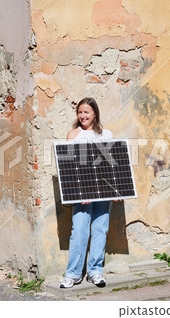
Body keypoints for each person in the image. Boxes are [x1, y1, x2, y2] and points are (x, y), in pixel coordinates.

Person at [60, 97, 117, 289]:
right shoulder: (73, 135)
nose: (83, 115)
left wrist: (116, 188)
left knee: (100, 230)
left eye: (87, 112)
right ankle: (73, 274)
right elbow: (69, 166)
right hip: (82, 192)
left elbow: (111, 164)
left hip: (103, 190)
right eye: (80, 112)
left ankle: (95, 272)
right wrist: (79, 192)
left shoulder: (106, 134)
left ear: (95, 114)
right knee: (80, 231)